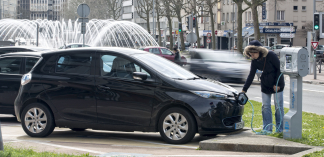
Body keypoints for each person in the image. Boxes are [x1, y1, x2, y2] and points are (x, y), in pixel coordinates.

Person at [242, 40, 285, 133]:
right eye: (250, 54)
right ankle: (267, 128)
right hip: (265, 83)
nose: (252, 56)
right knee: (265, 106)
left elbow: (280, 69)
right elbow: (251, 75)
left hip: (277, 82)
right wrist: (244, 90)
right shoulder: (254, 60)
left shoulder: (271, 55)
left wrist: (278, 84)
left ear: (259, 51)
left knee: (278, 107)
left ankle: (280, 129)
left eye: (253, 54)